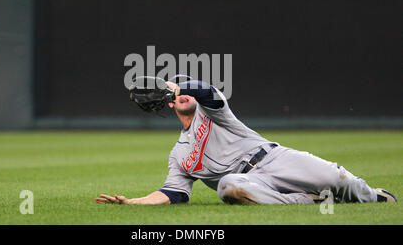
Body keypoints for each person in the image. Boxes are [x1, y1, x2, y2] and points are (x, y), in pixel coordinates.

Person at [95, 78, 397, 205]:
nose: (181, 93)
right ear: (169, 105)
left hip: (275, 158)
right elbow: (173, 194)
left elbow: (207, 91)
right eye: (175, 92)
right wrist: (132, 202)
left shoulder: (214, 112)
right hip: (249, 181)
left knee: (338, 179)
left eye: (181, 87)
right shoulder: (179, 154)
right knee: (228, 188)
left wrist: (178, 87)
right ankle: (310, 200)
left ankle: (372, 196)